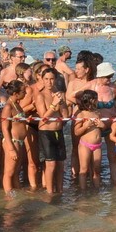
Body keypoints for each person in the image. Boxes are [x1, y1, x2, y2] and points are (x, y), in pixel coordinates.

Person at [35, 67, 70, 195]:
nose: (49, 82)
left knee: (60, 164)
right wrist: (53, 104)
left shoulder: (58, 94)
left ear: (55, 80)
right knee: (51, 164)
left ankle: (60, 191)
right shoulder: (40, 95)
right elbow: (43, 117)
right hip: (46, 132)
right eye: (46, 79)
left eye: (51, 79)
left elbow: (65, 115)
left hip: (58, 131)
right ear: (42, 79)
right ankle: (50, 193)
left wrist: (61, 102)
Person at [1, 80, 30, 195]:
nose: (25, 93)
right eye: (23, 91)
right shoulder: (8, 107)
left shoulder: (17, 104)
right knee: (9, 172)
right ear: (15, 93)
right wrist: (11, 149)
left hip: (20, 141)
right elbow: (4, 128)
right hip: (12, 141)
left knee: (16, 171)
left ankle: (17, 194)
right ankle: (9, 197)